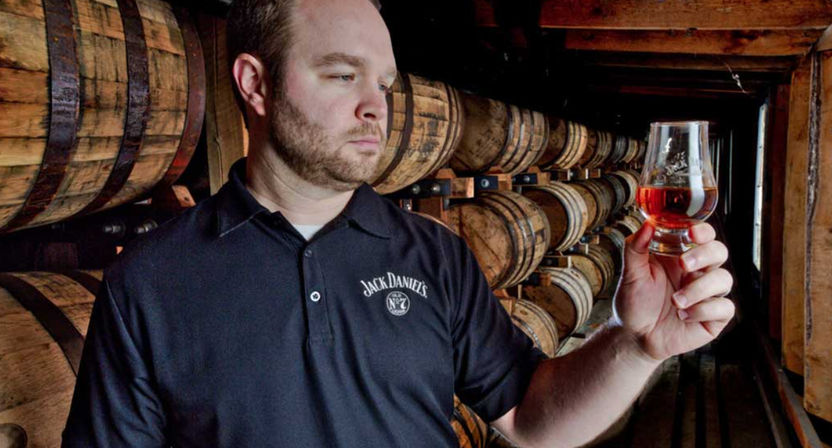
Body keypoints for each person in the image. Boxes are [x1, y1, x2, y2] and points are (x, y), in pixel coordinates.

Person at [62, 0, 735, 446]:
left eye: (382, 84)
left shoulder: (434, 256)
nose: (374, 108)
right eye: (341, 76)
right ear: (255, 84)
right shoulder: (148, 282)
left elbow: (530, 420)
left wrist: (636, 344)